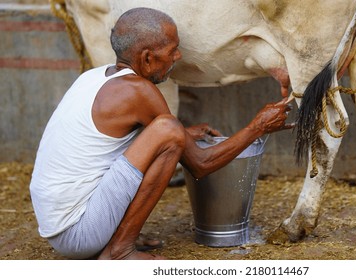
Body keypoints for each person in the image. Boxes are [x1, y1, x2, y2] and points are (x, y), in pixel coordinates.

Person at [29, 7, 294, 260]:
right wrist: (258, 126)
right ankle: (119, 250)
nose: (178, 57)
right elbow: (200, 164)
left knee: (172, 131)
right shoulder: (139, 91)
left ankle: (113, 239)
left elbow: (115, 144)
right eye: (173, 50)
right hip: (79, 234)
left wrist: (185, 133)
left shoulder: (94, 77)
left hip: (61, 228)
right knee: (169, 129)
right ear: (146, 58)